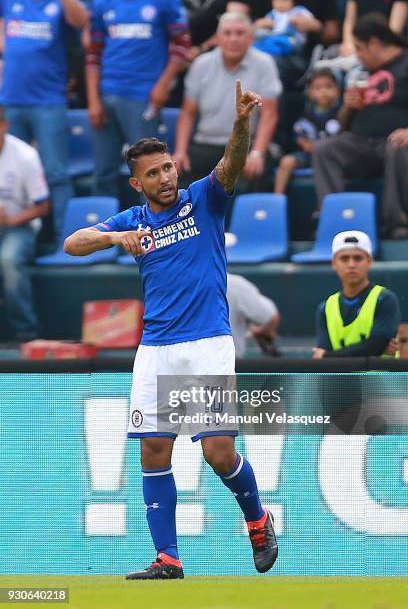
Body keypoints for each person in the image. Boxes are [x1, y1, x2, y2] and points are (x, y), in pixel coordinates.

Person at [64, 81, 278, 579]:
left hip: (206, 343)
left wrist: (241, 123)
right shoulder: (134, 218)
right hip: (156, 347)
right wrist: (116, 237)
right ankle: (168, 558)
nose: (165, 177)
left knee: (217, 452)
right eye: (153, 173)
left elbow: (231, 165)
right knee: (153, 449)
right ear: (136, 183)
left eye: (167, 167)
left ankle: (258, 518)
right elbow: (73, 243)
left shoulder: (203, 199)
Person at [312, 14, 408, 237]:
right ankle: (336, 222)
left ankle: (398, 224)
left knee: (398, 146)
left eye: (359, 48)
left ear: (374, 44)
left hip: (395, 144)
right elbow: (342, 124)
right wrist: (348, 107)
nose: (357, 55)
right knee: (324, 149)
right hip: (363, 144)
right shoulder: (363, 71)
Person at [0, 0, 89, 239]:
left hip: (48, 102)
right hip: (11, 100)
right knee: (10, 171)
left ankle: (67, 240)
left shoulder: (61, 2)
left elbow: (82, 20)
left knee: (56, 173)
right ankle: (14, 236)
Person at [86, 0, 192, 199]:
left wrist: (163, 84)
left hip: (143, 96)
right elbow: (93, 52)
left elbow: (183, 44)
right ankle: (102, 228)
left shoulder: (165, 1)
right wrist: (92, 99)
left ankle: (153, 227)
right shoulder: (102, 2)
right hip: (107, 94)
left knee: (148, 170)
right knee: (103, 171)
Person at [174, 12, 282, 190]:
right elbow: (187, 113)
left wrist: (257, 153)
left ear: (251, 38)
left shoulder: (265, 64)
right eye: (227, 33)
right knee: (177, 179)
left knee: (250, 177)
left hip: (245, 146)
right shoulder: (201, 64)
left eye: (240, 33)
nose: (233, 39)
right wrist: (180, 151)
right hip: (205, 144)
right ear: (217, 38)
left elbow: (270, 114)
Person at [0, 107, 50, 342]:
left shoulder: (25, 155)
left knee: (9, 260)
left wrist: (10, 219)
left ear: (4, 126)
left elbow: (43, 206)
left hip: (20, 227)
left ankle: (25, 332)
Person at [313, 230, 400, 359]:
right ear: (334, 263)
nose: (351, 265)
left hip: (382, 378)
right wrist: (372, 349)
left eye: (358, 258)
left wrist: (328, 356)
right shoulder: (325, 308)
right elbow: (375, 347)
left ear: (369, 261)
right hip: (344, 379)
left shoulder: (385, 299)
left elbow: (376, 344)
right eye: (344, 258)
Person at [274, 67, 341, 194]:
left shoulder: (341, 114)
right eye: (318, 88)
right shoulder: (306, 114)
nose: (323, 92)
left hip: (330, 158)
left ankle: (323, 206)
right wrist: (310, 146)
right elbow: (301, 140)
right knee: (286, 162)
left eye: (328, 87)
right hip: (307, 156)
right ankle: (277, 201)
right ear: (310, 92)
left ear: (337, 90)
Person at [227, 272, 281, 357]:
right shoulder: (234, 284)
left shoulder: (233, 284)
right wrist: (258, 331)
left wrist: (258, 331)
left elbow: (271, 317)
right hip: (227, 362)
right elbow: (272, 317)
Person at [253, 0, 320, 57]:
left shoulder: (298, 11)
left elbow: (311, 21)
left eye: (285, 0)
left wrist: (298, 20)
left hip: (292, 41)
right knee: (260, 33)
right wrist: (264, 24)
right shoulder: (272, 14)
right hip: (275, 38)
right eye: (277, 0)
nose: (281, 3)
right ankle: (264, 49)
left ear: (292, 1)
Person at [340, 0, 408, 57]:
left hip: (382, 46)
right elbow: (350, 20)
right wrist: (349, 43)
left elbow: (394, 30)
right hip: (359, 44)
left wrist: (372, 49)